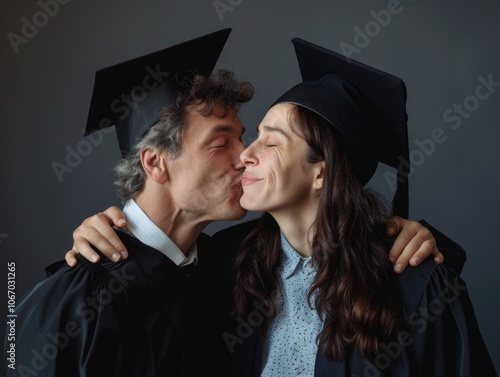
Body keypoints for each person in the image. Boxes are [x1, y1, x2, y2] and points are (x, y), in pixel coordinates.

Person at [62, 39, 492, 376]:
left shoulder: (410, 281)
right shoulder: (226, 267)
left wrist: (429, 253)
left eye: (269, 141)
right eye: (246, 139)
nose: (245, 154)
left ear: (321, 172)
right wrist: (110, 232)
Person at [5, 28, 252, 377]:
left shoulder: (226, 270)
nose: (246, 156)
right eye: (220, 143)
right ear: (155, 163)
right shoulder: (78, 295)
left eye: (242, 139)